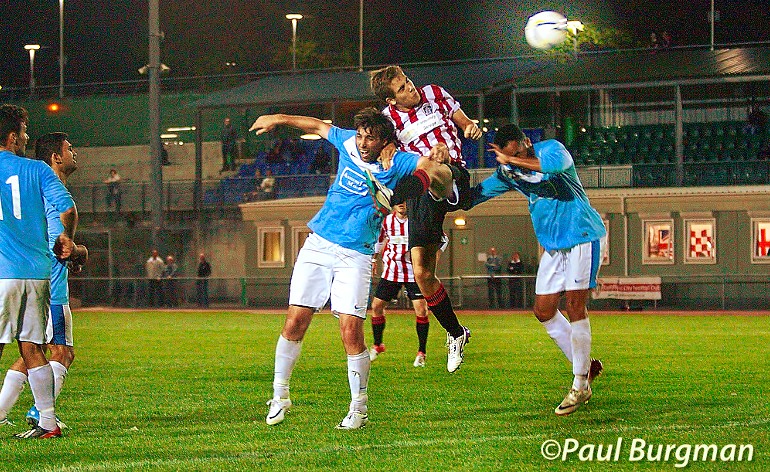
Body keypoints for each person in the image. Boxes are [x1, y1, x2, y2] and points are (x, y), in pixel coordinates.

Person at [249, 107, 451, 429]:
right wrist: (279, 119)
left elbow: (431, 168)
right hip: (318, 244)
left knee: (351, 331)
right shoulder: (347, 143)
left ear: (385, 141)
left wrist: (437, 155)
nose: (362, 142)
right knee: (294, 322)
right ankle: (280, 396)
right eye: (360, 135)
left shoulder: (397, 162)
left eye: (370, 138)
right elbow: (315, 123)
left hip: (355, 255)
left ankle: (359, 409)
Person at [471, 123, 606, 416]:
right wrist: (441, 197)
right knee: (543, 310)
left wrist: (512, 160)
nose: (517, 155)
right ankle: (586, 364)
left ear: (526, 141)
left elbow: (549, 167)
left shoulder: (553, 149)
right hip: (553, 245)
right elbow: (475, 196)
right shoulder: (508, 172)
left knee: (574, 305)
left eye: (519, 150)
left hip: (582, 234)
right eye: (510, 154)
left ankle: (580, 384)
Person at [369, 65, 482, 372]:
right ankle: (457, 333)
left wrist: (470, 127)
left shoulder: (435, 94)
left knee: (438, 171)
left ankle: (443, 194)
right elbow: (385, 152)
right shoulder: (388, 121)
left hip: (451, 171)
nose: (411, 89)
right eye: (403, 89)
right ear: (392, 101)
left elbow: (464, 121)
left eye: (408, 82)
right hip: (419, 189)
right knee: (422, 274)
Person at [0, 132, 88, 433]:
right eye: (69, 148)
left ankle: (33, 416)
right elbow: (58, 229)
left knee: (32, 350)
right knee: (55, 351)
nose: (74, 152)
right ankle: (42, 415)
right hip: (44, 278)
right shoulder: (38, 177)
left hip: (18, 272)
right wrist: (75, 249)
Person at [369, 203, 447, 368]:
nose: (402, 204)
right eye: (398, 201)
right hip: (392, 271)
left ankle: (421, 353)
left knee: (422, 310)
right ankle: (377, 345)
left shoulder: (418, 221)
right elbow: (379, 239)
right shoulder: (387, 221)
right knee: (376, 306)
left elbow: (443, 239)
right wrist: (374, 259)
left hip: (414, 273)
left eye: (404, 201)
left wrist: (435, 256)